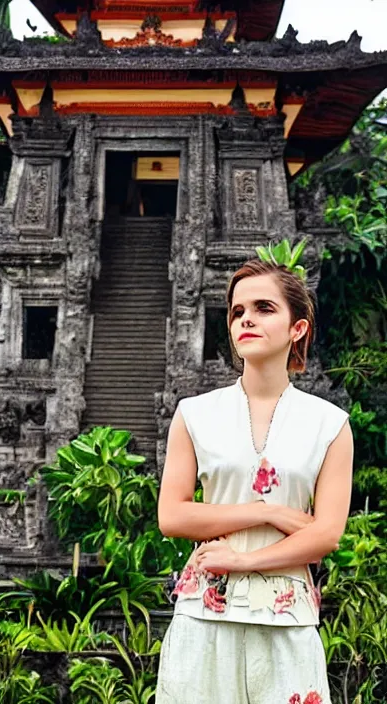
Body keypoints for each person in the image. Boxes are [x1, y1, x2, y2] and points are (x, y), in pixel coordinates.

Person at [156, 259, 354, 704]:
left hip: (289, 619)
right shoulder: (194, 414)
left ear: (297, 328)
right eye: (237, 310)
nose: (246, 318)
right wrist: (270, 512)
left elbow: (326, 533)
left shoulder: (330, 424)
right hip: (204, 615)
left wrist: (244, 560)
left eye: (264, 308)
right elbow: (172, 515)